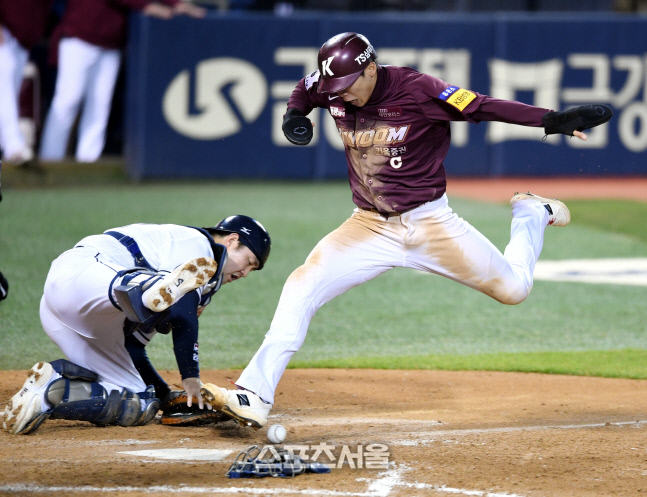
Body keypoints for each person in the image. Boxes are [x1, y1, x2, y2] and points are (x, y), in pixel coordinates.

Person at [199, 32, 613, 429]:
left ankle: (530, 214)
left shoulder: (419, 89)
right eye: (333, 85)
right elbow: (305, 90)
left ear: (370, 69)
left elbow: (482, 106)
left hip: (431, 224)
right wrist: (294, 113)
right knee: (301, 285)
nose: (339, 93)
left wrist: (551, 119)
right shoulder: (330, 84)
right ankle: (254, 394)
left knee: (514, 290)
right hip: (368, 226)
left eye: (346, 84)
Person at [3, 215, 271, 434]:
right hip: (83, 275)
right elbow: (182, 315)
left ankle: (51, 392)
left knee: (140, 402)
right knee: (162, 294)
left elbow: (133, 347)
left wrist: (165, 396)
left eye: (253, 270)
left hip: (76, 322)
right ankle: (147, 288)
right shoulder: (198, 245)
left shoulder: (197, 282)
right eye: (249, 261)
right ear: (233, 240)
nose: (246, 273)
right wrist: (191, 380)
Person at [39, 0, 206, 163]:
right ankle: (50, 159)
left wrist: (176, 4)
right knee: (68, 100)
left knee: (99, 105)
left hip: (110, 44)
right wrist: (147, 6)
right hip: (80, 37)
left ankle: (88, 160)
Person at [0, 0, 55, 165]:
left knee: (7, 95)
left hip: (20, 37)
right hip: (5, 31)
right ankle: (14, 147)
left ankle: (10, 148)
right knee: (5, 83)